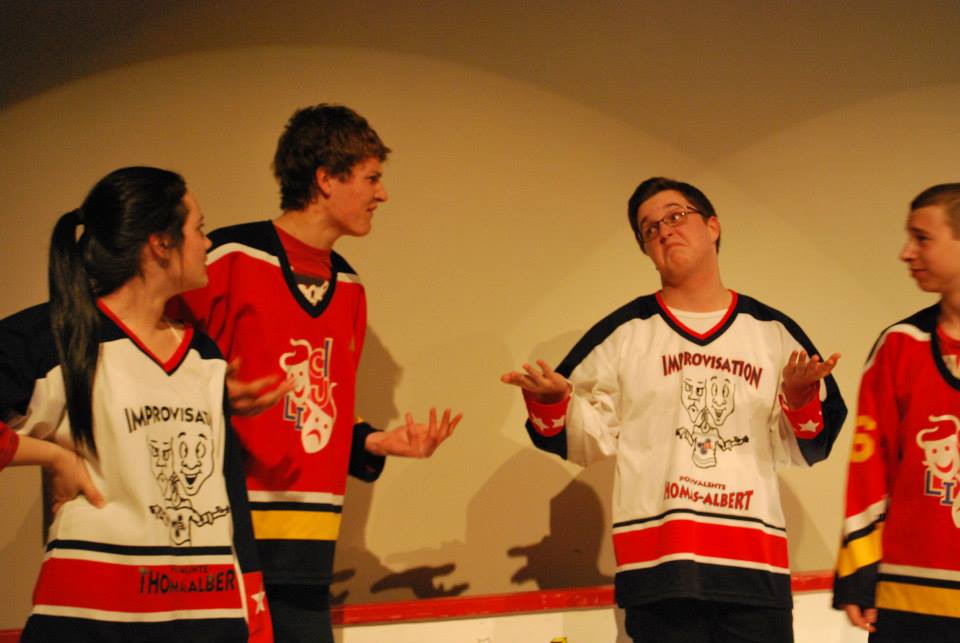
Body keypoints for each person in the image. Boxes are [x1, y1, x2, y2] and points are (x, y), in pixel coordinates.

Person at [502, 177, 847, 643]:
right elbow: (580, 435)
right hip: (659, 570)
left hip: (753, 569)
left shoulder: (771, 331)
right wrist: (550, 401)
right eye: (649, 229)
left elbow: (811, 445)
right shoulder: (625, 333)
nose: (664, 230)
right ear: (646, 250)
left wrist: (801, 398)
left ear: (713, 226)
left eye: (676, 216)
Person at [171, 104, 461, 643]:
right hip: (222, 541)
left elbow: (315, 414)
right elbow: (157, 375)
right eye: (372, 178)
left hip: (307, 550)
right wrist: (214, 395)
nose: (382, 194)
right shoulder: (229, 259)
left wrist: (375, 442)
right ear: (326, 178)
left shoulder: (349, 288)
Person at [0, 167, 271, 642]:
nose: (207, 244)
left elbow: (227, 490)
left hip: (205, 619)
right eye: (199, 229)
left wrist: (254, 609)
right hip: (91, 622)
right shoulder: (55, 337)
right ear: (160, 243)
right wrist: (54, 456)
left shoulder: (204, 356)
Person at [834, 183, 960, 641]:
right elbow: (870, 469)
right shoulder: (899, 347)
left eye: (922, 238)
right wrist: (859, 569)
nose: (906, 253)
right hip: (910, 594)